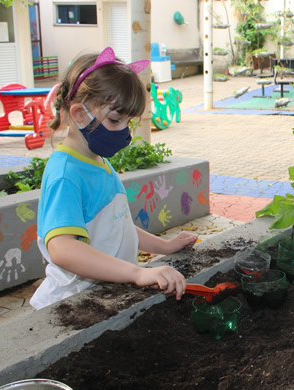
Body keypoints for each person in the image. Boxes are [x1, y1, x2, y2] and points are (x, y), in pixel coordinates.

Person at [30, 47, 198, 310]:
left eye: (129, 122)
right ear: (79, 114)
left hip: (103, 295)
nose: (125, 133)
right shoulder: (66, 173)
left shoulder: (98, 161)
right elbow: (62, 249)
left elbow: (116, 228)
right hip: (71, 303)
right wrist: (137, 273)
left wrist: (165, 247)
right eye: (115, 120)